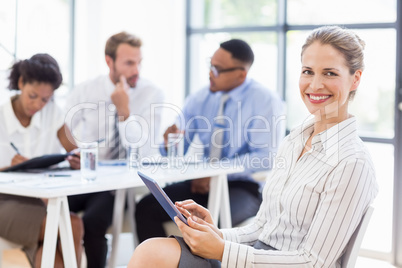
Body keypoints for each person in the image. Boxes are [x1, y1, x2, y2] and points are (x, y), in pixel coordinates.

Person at [128, 26, 379, 268]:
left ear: (355, 78)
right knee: (151, 248)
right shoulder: (295, 140)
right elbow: (262, 229)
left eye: (330, 73)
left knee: (152, 255)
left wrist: (223, 250)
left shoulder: (351, 162)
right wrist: (215, 235)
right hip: (257, 255)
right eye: (307, 71)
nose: (314, 85)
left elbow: (313, 262)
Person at [135, 39, 286, 243]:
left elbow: (265, 158)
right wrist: (170, 141)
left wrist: (216, 173)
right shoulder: (200, 98)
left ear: (241, 74)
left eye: (217, 69)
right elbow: (177, 147)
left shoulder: (265, 100)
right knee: (147, 207)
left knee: (213, 221)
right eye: (210, 65)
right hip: (202, 183)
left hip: (243, 187)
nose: (209, 74)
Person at [64, 31, 165, 268]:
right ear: (109, 61)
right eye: (129, 63)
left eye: (139, 62)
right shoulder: (86, 90)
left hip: (119, 185)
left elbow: (144, 149)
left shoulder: (152, 94)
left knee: (93, 221)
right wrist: (73, 152)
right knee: (49, 210)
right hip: (85, 176)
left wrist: (124, 112)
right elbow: (62, 130)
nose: (136, 70)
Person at [0, 53, 83, 267]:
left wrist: (77, 159)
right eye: (32, 95)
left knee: (53, 259)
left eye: (45, 99)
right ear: (21, 83)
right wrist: (8, 168)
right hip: (4, 202)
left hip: (39, 202)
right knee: (71, 224)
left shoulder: (52, 113)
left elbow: (75, 150)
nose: (37, 104)